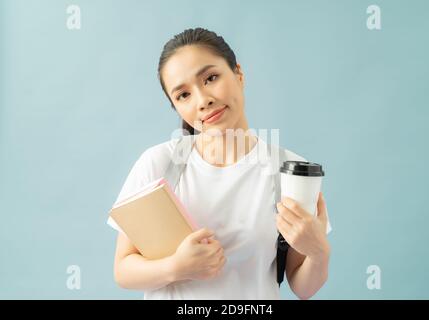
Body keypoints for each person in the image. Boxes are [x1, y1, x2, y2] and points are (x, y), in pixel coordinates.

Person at [107, 27, 332, 300]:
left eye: (211, 78)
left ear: (239, 74)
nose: (203, 100)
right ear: (176, 107)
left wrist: (320, 252)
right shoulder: (158, 164)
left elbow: (302, 287)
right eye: (183, 95)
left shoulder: (289, 169)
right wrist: (177, 267)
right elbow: (123, 269)